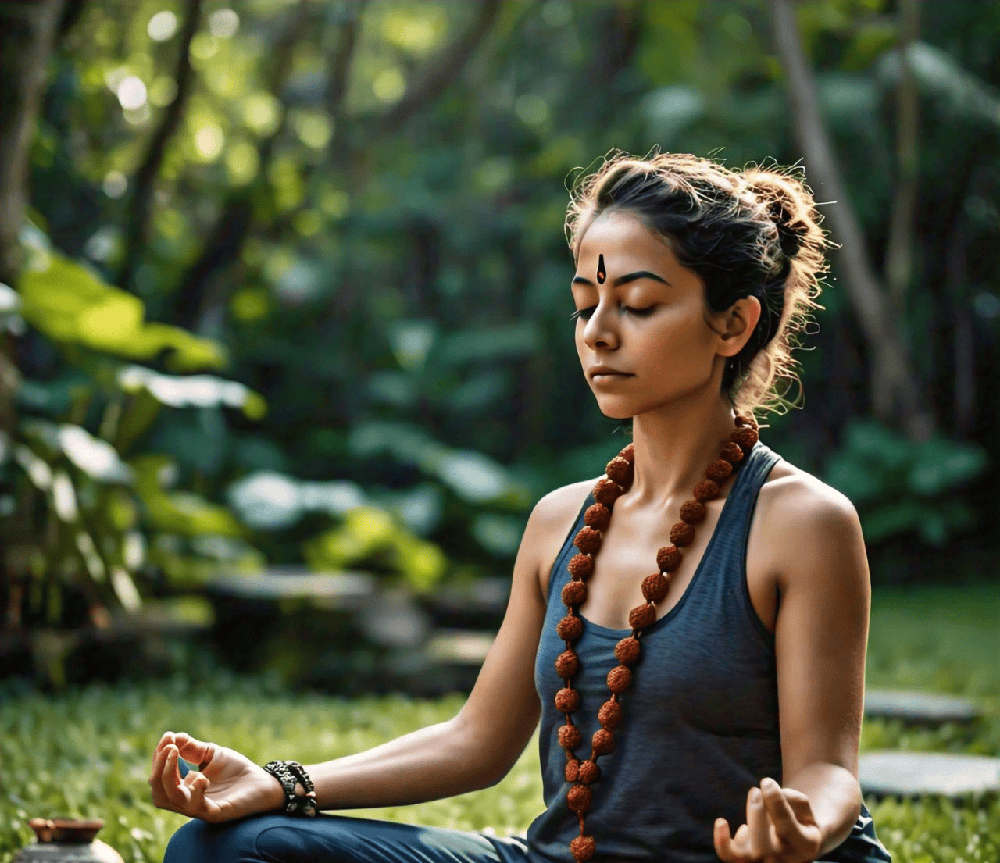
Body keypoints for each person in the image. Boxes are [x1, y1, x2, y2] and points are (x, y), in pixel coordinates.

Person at [151, 151, 892, 863]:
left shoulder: (803, 523)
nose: (598, 331)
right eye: (584, 303)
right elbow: (476, 741)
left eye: (637, 303)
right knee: (225, 847)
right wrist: (283, 783)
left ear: (731, 324)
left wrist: (803, 827)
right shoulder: (559, 522)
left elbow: (828, 767)